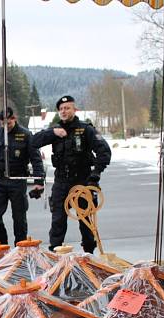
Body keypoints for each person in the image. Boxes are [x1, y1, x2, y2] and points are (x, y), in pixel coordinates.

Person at [32, 96, 111, 253]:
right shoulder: (54, 130)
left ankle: (89, 255)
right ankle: (56, 254)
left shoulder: (85, 129)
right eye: (61, 109)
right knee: (58, 221)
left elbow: (104, 152)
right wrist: (53, 133)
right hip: (61, 181)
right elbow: (33, 142)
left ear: (75, 110)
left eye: (67, 108)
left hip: (83, 181)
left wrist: (95, 175)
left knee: (86, 220)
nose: (64, 111)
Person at [0, 107, 45, 245]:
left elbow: (36, 159)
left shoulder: (25, 135)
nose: (6, 126)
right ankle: (1, 246)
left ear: (14, 119)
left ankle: (20, 249)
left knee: (19, 218)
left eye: (9, 122)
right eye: (3, 123)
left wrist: (39, 180)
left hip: (17, 180)